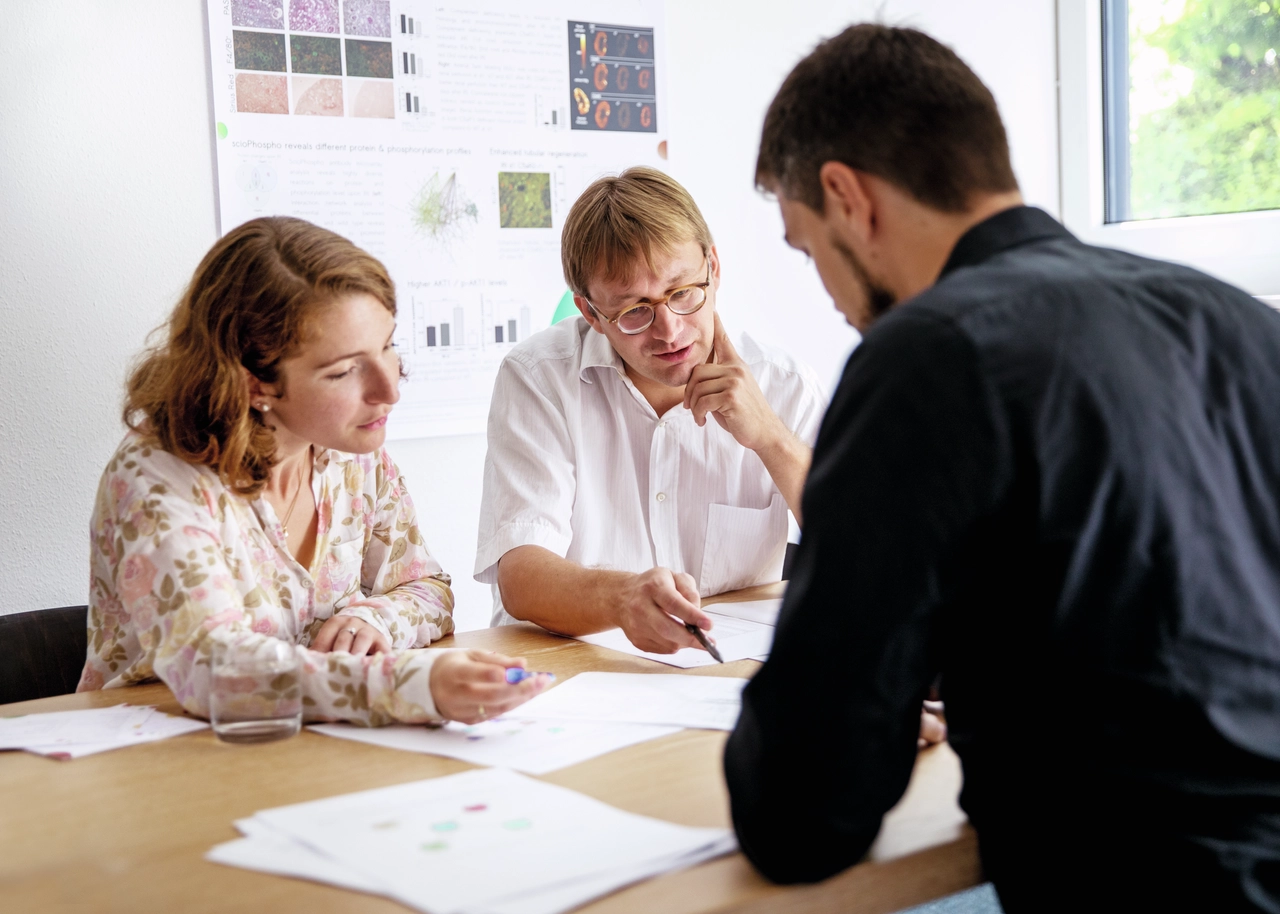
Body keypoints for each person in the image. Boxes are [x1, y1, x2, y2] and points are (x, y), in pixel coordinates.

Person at [723, 23, 1280, 913]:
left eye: (807, 247)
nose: (828, 294)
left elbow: (804, 806)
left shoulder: (927, 355)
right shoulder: (1236, 323)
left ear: (848, 198)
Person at [79, 217, 550, 725]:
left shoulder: (354, 453)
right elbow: (211, 666)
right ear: (254, 384)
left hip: (312, 747)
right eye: (345, 370)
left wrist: (376, 618)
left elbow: (428, 588)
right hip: (158, 752)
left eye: (388, 346)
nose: (389, 390)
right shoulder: (157, 477)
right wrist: (411, 685)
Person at [474, 167, 827, 654]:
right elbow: (520, 573)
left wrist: (770, 438)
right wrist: (622, 598)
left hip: (728, 670)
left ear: (714, 266)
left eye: (683, 293)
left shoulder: (783, 384)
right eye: (634, 310)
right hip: (574, 670)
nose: (669, 330)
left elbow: (865, 550)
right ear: (590, 313)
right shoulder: (540, 378)